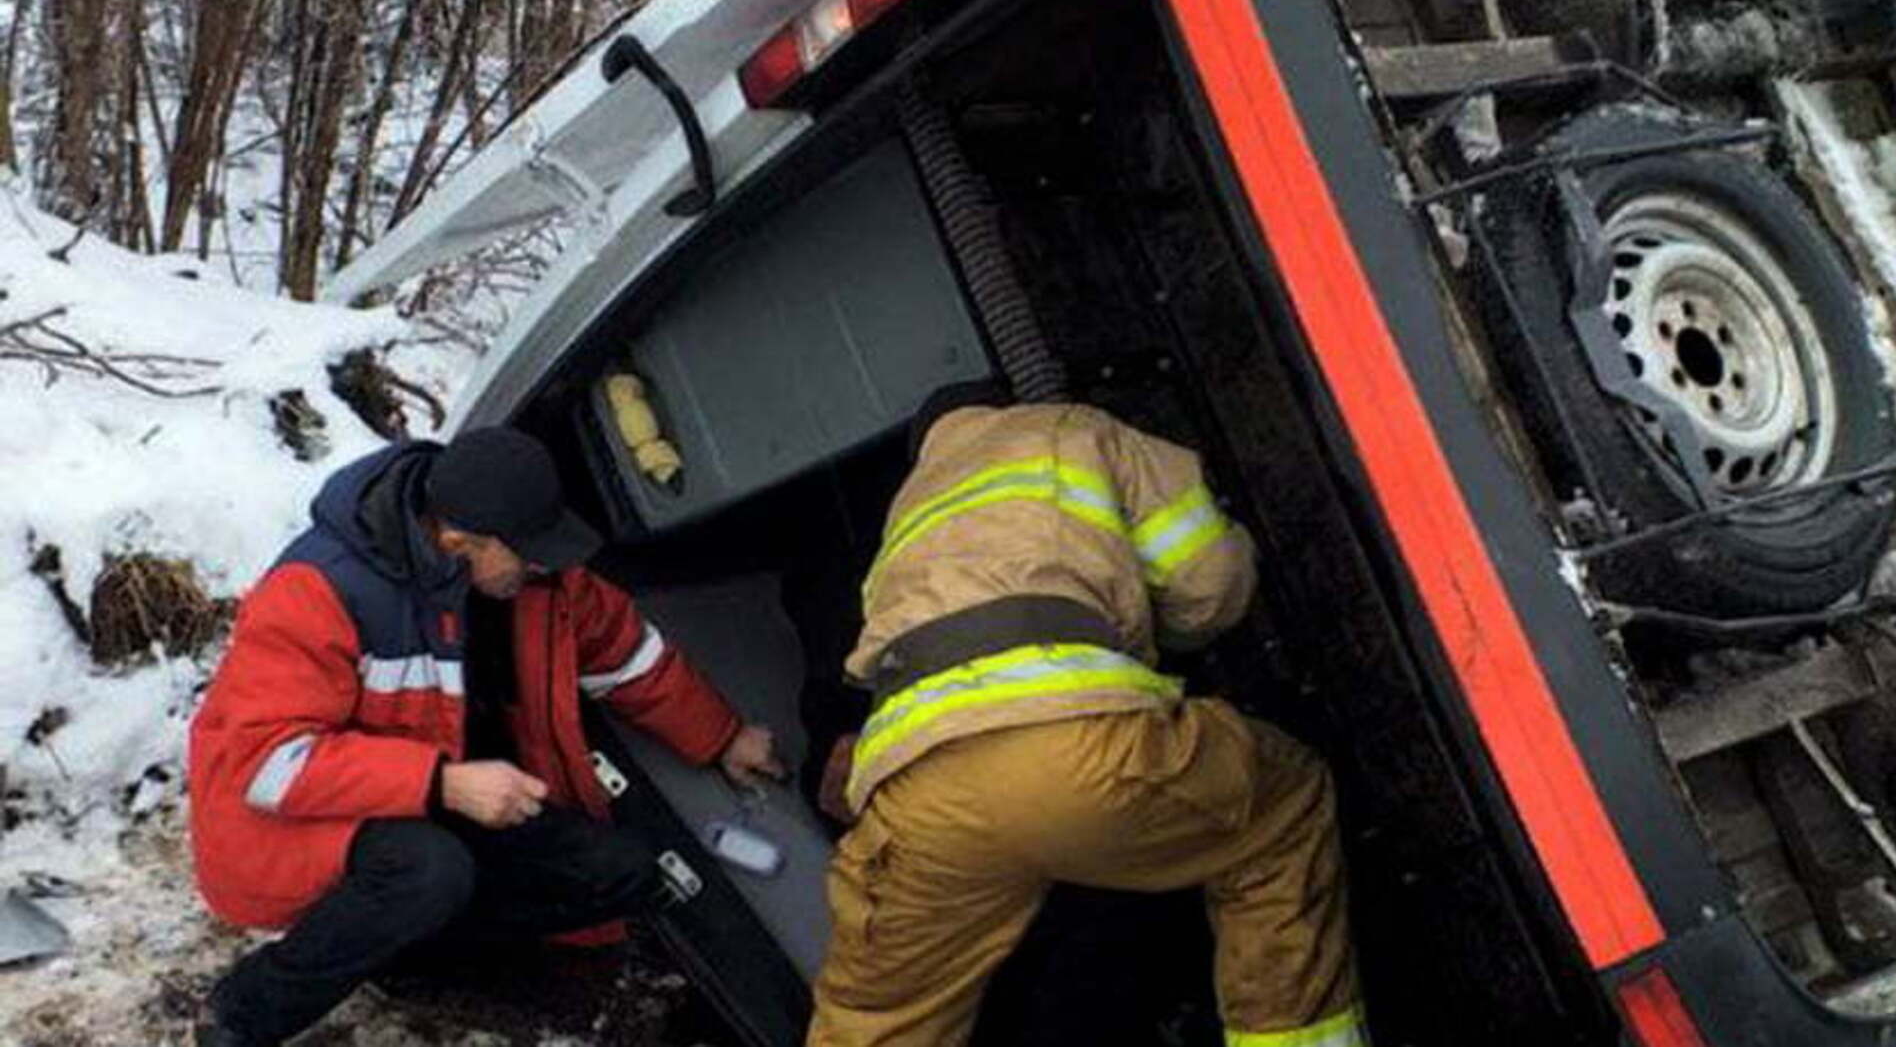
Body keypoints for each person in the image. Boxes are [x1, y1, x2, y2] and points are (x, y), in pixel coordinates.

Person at [186, 426, 785, 1046]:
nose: (539, 565)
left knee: (620, 870)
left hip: (434, 797)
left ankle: (404, 954)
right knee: (429, 872)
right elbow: (265, 763)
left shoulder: (530, 578)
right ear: (456, 540)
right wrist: (441, 782)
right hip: (297, 819)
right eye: (526, 553)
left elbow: (625, 653)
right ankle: (240, 1016)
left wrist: (722, 736)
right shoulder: (316, 590)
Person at [809, 383, 1361, 1047]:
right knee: (1283, 808)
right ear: (1004, 406)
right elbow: (1212, 587)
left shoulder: (906, 514)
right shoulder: (1066, 428)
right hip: (1079, 754)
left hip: (919, 802)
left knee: (872, 1022)